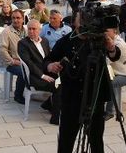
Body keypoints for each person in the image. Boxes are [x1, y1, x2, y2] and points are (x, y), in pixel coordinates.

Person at [45, 10, 121, 153]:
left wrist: (111, 47)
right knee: (66, 140)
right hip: (72, 97)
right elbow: (48, 60)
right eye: (83, 20)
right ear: (76, 22)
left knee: (96, 140)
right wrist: (50, 66)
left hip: (95, 97)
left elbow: (115, 56)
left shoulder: (100, 39)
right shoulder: (67, 40)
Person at [17, 19, 60, 124]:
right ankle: (55, 117)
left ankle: (48, 104)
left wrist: (52, 65)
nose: (31, 31)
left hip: (46, 71)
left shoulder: (44, 41)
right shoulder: (23, 43)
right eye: (29, 29)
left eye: (34, 29)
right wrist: (43, 76)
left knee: (66, 80)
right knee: (59, 86)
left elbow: (47, 58)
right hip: (34, 77)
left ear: (40, 30)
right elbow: (29, 64)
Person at [103, 27, 126, 120]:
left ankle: (110, 111)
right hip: (117, 72)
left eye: (107, 31)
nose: (104, 33)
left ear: (115, 31)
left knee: (111, 83)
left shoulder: (118, 44)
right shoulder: (112, 41)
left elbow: (107, 61)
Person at [0, 9, 27, 104]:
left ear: (23, 19)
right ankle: (18, 95)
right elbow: (2, 50)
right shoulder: (6, 32)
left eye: (18, 18)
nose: (15, 20)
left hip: (25, 61)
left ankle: (33, 91)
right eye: (13, 18)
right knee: (23, 71)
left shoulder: (26, 30)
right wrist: (12, 61)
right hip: (11, 63)